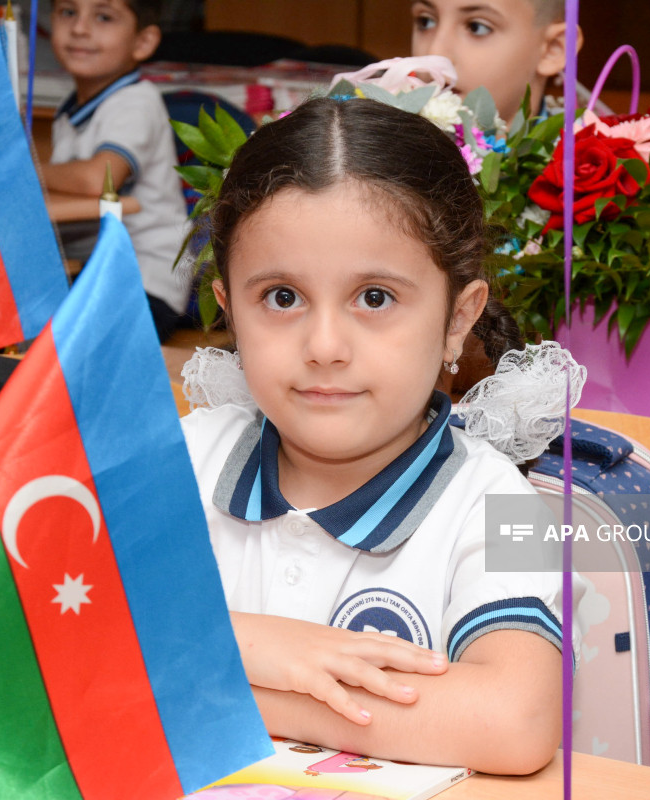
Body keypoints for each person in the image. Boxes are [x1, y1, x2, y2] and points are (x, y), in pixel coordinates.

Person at [179, 97, 563, 775]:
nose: (324, 345)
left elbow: (517, 721)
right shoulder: (185, 456)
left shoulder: (502, 502)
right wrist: (248, 642)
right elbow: (54, 633)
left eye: (375, 298)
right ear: (229, 310)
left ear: (457, 319)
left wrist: (241, 680)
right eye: (281, 297)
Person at [42, 0, 192, 343]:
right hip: (96, 272)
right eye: (68, 12)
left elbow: (99, 180)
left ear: (143, 42)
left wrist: (22, 169)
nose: (80, 28)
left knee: (58, 352)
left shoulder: (135, 101)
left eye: (104, 17)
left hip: (144, 280)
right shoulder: (72, 107)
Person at [409, 0, 567, 123]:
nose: (435, 55)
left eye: (476, 27)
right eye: (426, 21)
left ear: (552, 49)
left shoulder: (576, 162)